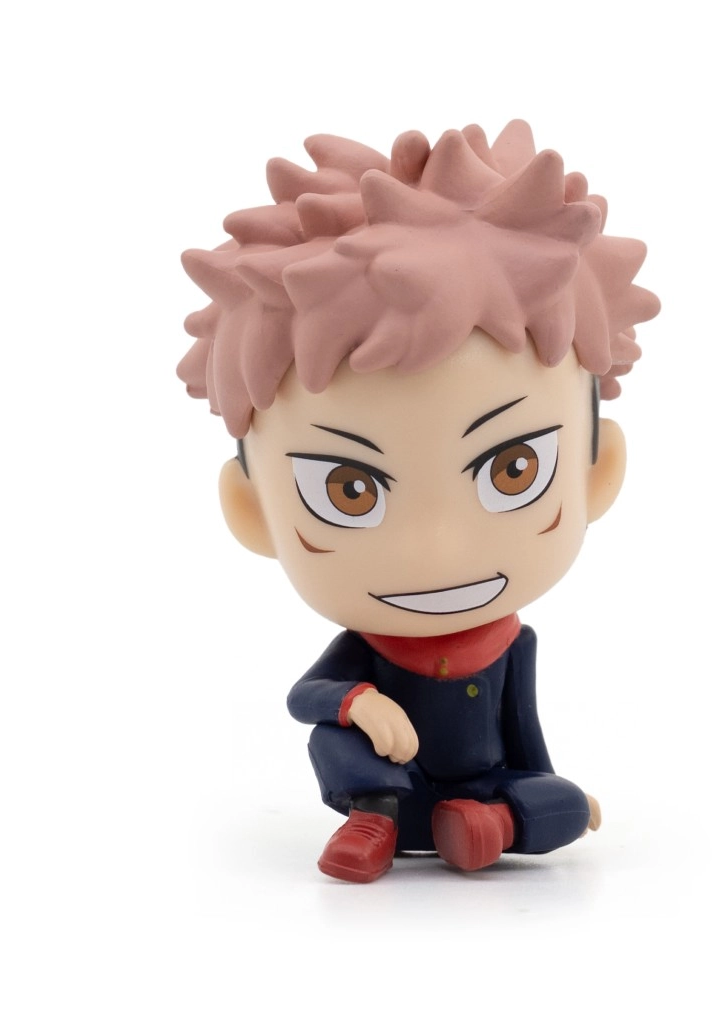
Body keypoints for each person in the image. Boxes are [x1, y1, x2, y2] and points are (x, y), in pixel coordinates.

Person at [178, 120, 660, 882]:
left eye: (513, 470)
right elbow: (310, 697)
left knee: (567, 804)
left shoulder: (511, 645)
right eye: (349, 490)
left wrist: (545, 792)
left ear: (596, 473)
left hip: (482, 785)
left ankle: (493, 823)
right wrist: (360, 704)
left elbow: (524, 731)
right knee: (333, 738)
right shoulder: (369, 653)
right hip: (384, 781)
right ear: (253, 510)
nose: (436, 549)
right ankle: (374, 818)